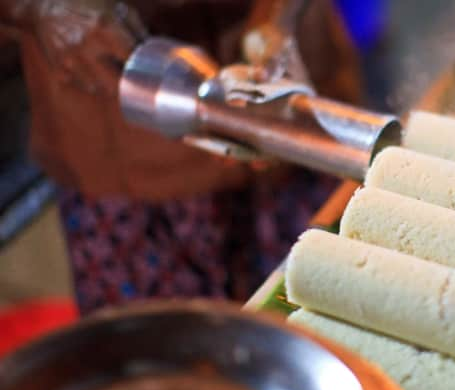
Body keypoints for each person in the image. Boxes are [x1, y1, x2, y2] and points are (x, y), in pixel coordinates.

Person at [0, 0, 363, 313]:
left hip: (292, 95)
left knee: (337, 302)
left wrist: (283, 18)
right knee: (168, 364)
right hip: (118, 119)